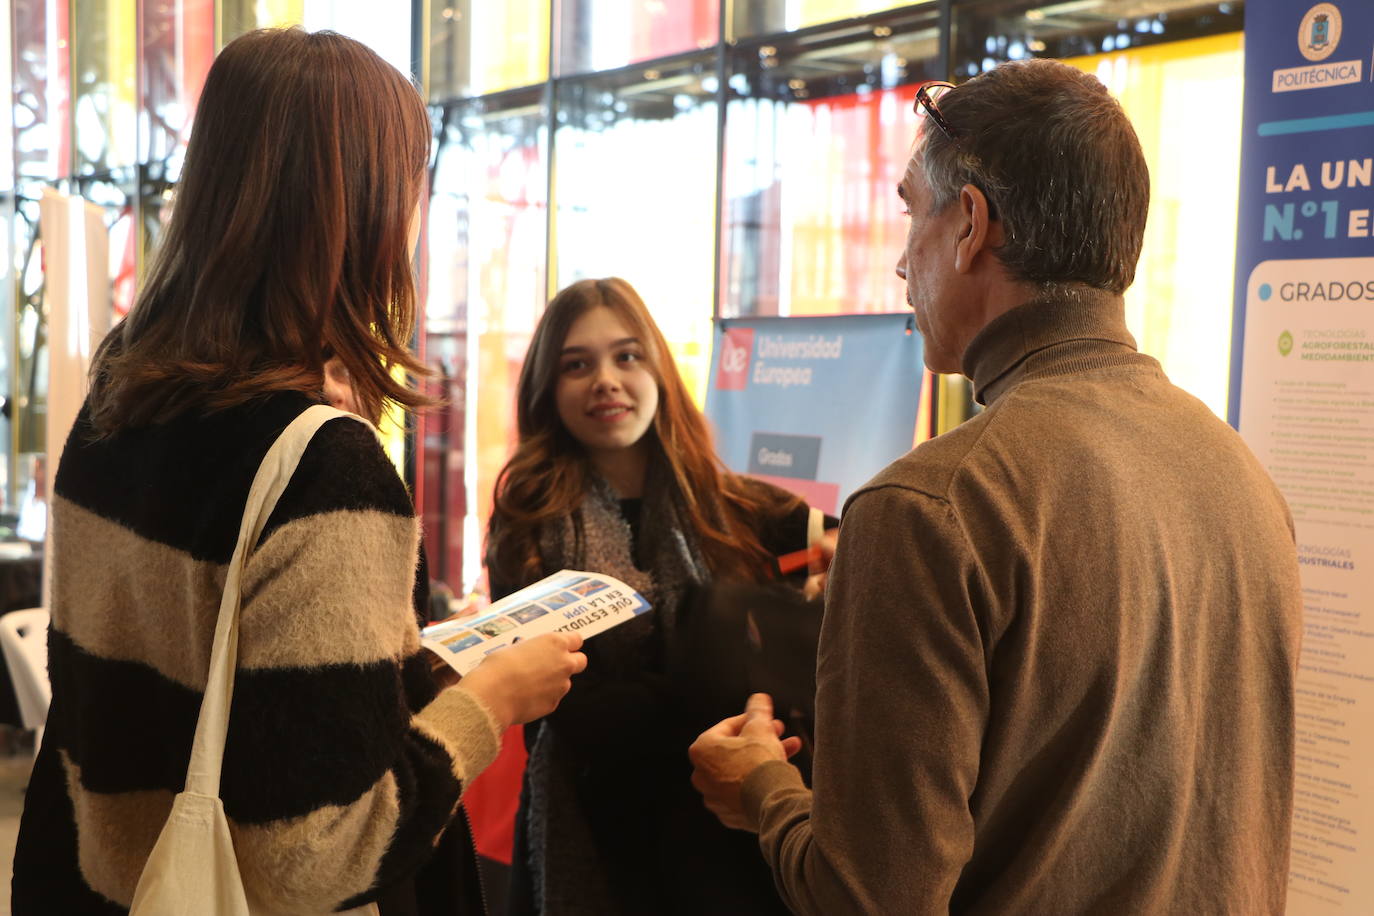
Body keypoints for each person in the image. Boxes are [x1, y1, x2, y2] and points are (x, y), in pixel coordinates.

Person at [689, 58, 1303, 913]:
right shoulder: (1241, 477)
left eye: (911, 212)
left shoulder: (928, 510)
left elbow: (870, 900)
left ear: (971, 225)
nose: (904, 265)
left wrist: (763, 791)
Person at [12, 28, 586, 916]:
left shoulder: (121, 392)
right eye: (410, 180)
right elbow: (315, 855)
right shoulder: (323, 467)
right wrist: (492, 703)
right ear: (358, 205)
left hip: (104, 877)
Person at [486, 277, 828, 915]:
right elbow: (579, 716)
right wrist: (714, 660)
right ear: (548, 388)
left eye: (627, 356)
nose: (606, 380)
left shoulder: (734, 506)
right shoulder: (527, 521)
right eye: (576, 365)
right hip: (593, 831)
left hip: (726, 843)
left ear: (659, 369)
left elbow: (844, 545)